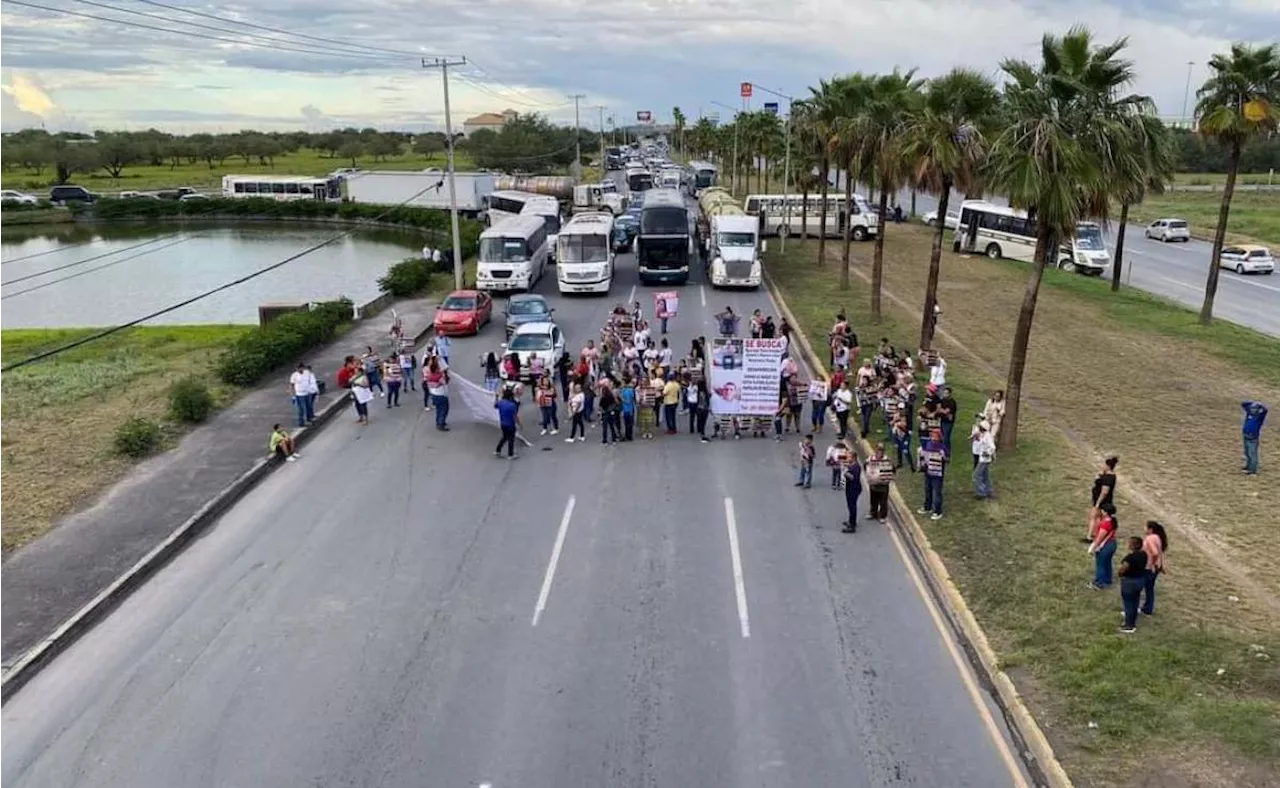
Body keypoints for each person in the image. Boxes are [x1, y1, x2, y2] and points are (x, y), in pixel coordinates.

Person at [1118, 536, 1148, 634]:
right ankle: (1132, 621)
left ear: (1135, 545)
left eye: (1131, 543)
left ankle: (1129, 625)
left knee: (1128, 604)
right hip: (1139, 580)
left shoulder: (1130, 558)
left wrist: (1120, 573)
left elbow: (1123, 568)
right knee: (1135, 602)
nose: (1129, 545)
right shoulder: (1144, 554)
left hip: (1129, 582)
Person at [1086, 456, 1119, 543]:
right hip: (1101, 500)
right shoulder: (1107, 476)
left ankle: (1090, 536)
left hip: (1102, 501)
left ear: (1108, 466)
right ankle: (1096, 535)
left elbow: (1104, 491)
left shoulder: (1108, 478)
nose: (1102, 466)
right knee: (1098, 518)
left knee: (1093, 516)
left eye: (1104, 464)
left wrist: (1098, 503)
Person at [918, 428, 948, 520]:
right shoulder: (928, 444)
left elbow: (947, 459)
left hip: (937, 473)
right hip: (928, 472)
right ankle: (927, 507)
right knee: (928, 489)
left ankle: (938, 511)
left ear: (940, 437)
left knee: (937, 492)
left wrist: (943, 456)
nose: (933, 438)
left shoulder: (942, 447)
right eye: (932, 436)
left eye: (936, 436)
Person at [1087, 502, 1119, 590]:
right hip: (1112, 544)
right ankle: (1108, 579)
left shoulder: (1105, 524)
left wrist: (1093, 548)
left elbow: (1100, 538)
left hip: (1105, 546)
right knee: (1107, 563)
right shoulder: (1112, 520)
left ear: (1105, 512)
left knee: (1100, 564)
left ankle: (1098, 583)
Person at [1141, 521, 1168, 616]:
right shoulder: (1157, 537)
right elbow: (1160, 552)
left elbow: (1155, 553)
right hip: (1156, 567)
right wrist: (1161, 565)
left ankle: (1141, 608)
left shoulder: (1150, 539)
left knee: (1139, 587)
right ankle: (1147, 609)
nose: (1143, 528)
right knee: (1149, 588)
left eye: (1145, 527)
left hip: (1149, 567)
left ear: (1150, 529)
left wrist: (1151, 564)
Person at [865, 443, 894, 522]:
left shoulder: (887, 459)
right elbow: (866, 466)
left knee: (883, 501)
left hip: (883, 484)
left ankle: (882, 516)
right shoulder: (871, 458)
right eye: (878, 450)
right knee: (873, 499)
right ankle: (873, 513)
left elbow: (892, 469)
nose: (880, 452)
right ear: (876, 450)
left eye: (881, 450)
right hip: (873, 483)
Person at [494, 386, 521, 459]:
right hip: (511, 425)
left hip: (503, 424)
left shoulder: (501, 403)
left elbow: (495, 406)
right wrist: (519, 424)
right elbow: (515, 416)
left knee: (504, 437)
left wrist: (496, 397)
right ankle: (510, 454)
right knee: (511, 440)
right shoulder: (512, 405)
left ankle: (498, 450)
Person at [1242, 400, 1268, 475]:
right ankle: (1248, 466)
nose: (1252, 410)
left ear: (1258, 409)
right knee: (1247, 452)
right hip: (1245, 435)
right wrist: (1252, 402)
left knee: (1252, 454)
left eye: (1254, 408)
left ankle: (1253, 471)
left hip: (1253, 438)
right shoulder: (1249, 413)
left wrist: (1260, 405)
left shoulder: (1259, 417)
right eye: (1252, 408)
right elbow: (1243, 404)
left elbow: (1265, 410)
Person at [424, 356, 450, 430]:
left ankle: (439, 422)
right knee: (444, 409)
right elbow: (445, 382)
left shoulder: (430, 376)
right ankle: (441, 424)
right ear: (436, 369)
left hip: (434, 394)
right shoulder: (439, 376)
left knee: (439, 409)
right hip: (441, 394)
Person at [972, 421, 996, 499]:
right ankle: (989, 491)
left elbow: (992, 447)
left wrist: (988, 453)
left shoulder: (988, 436)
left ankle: (981, 492)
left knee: (976, 475)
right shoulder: (983, 435)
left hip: (984, 459)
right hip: (982, 458)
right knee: (985, 476)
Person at [842, 450, 863, 533]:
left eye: (848, 457)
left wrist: (845, 472)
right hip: (849, 488)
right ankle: (851, 521)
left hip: (853, 489)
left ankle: (852, 525)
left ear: (853, 458)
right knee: (850, 505)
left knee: (852, 506)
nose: (847, 458)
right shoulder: (852, 465)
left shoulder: (856, 467)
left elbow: (853, 478)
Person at [288, 362, 315, 427]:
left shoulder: (307, 373)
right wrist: (293, 396)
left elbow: (311, 379)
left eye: (300, 368)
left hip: (307, 393)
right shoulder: (294, 375)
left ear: (302, 367)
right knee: (301, 409)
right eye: (297, 368)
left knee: (309, 407)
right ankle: (301, 422)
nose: (298, 369)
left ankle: (309, 419)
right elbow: (291, 386)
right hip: (299, 395)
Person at [599, 380, 620, 444]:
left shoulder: (603, 398)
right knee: (612, 426)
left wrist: (600, 414)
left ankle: (604, 440)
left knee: (605, 427)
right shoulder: (611, 397)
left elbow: (601, 407)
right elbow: (615, 403)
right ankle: (614, 439)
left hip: (605, 413)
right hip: (611, 412)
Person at [620, 376, 637, 441]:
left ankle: (629, 436)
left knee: (628, 423)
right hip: (626, 409)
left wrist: (622, 399)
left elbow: (629, 401)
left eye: (623, 382)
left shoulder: (628, 390)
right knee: (627, 423)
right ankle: (628, 435)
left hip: (628, 409)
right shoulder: (625, 390)